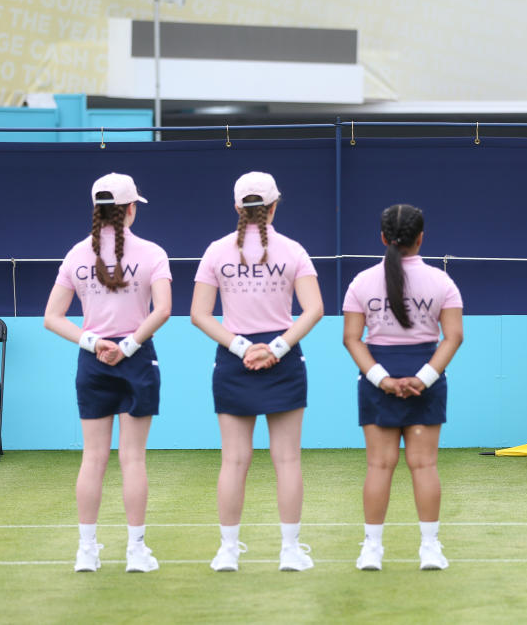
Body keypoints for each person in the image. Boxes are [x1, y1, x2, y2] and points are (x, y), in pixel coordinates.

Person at [191, 171, 323, 572]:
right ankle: (289, 551)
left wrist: (242, 347)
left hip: (235, 357)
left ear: (237, 207)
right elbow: (314, 309)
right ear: (275, 204)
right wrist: (278, 348)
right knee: (288, 460)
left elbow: (199, 315)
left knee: (234, 460)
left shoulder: (216, 250)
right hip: (280, 356)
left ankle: (227, 552)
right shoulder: (294, 249)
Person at [44, 172, 172, 572]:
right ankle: (136, 552)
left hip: (93, 359)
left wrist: (93, 343)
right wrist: (128, 346)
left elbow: (53, 317)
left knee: (93, 457)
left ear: (96, 210)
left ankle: (87, 552)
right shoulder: (152, 253)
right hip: (135, 359)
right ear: (131, 209)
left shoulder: (75, 254)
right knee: (132, 459)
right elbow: (164, 310)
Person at [342, 204, 464, 571]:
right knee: (424, 465)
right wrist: (423, 379)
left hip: (377, 376)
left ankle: (372, 551)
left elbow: (352, 339)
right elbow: (453, 337)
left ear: (383, 238)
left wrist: (381, 380)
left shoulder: (361, 282)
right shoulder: (442, 282)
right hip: (425, 375)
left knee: (379, 466)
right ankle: (430, 549)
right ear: (421, 237)